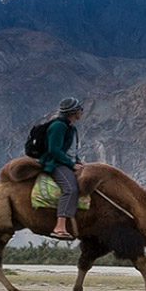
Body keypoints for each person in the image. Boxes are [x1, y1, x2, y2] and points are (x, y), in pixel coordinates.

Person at [42, 98, 84, 240]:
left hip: (66, 162)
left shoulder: (70, 127)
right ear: (73, 112)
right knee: (70, 189)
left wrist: (77, 160)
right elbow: (54, 150)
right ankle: (59, 226)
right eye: (79, 109)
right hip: (56, 163)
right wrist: (72, 165)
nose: (81, 111)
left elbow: (69, 148)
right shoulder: (58, 126)